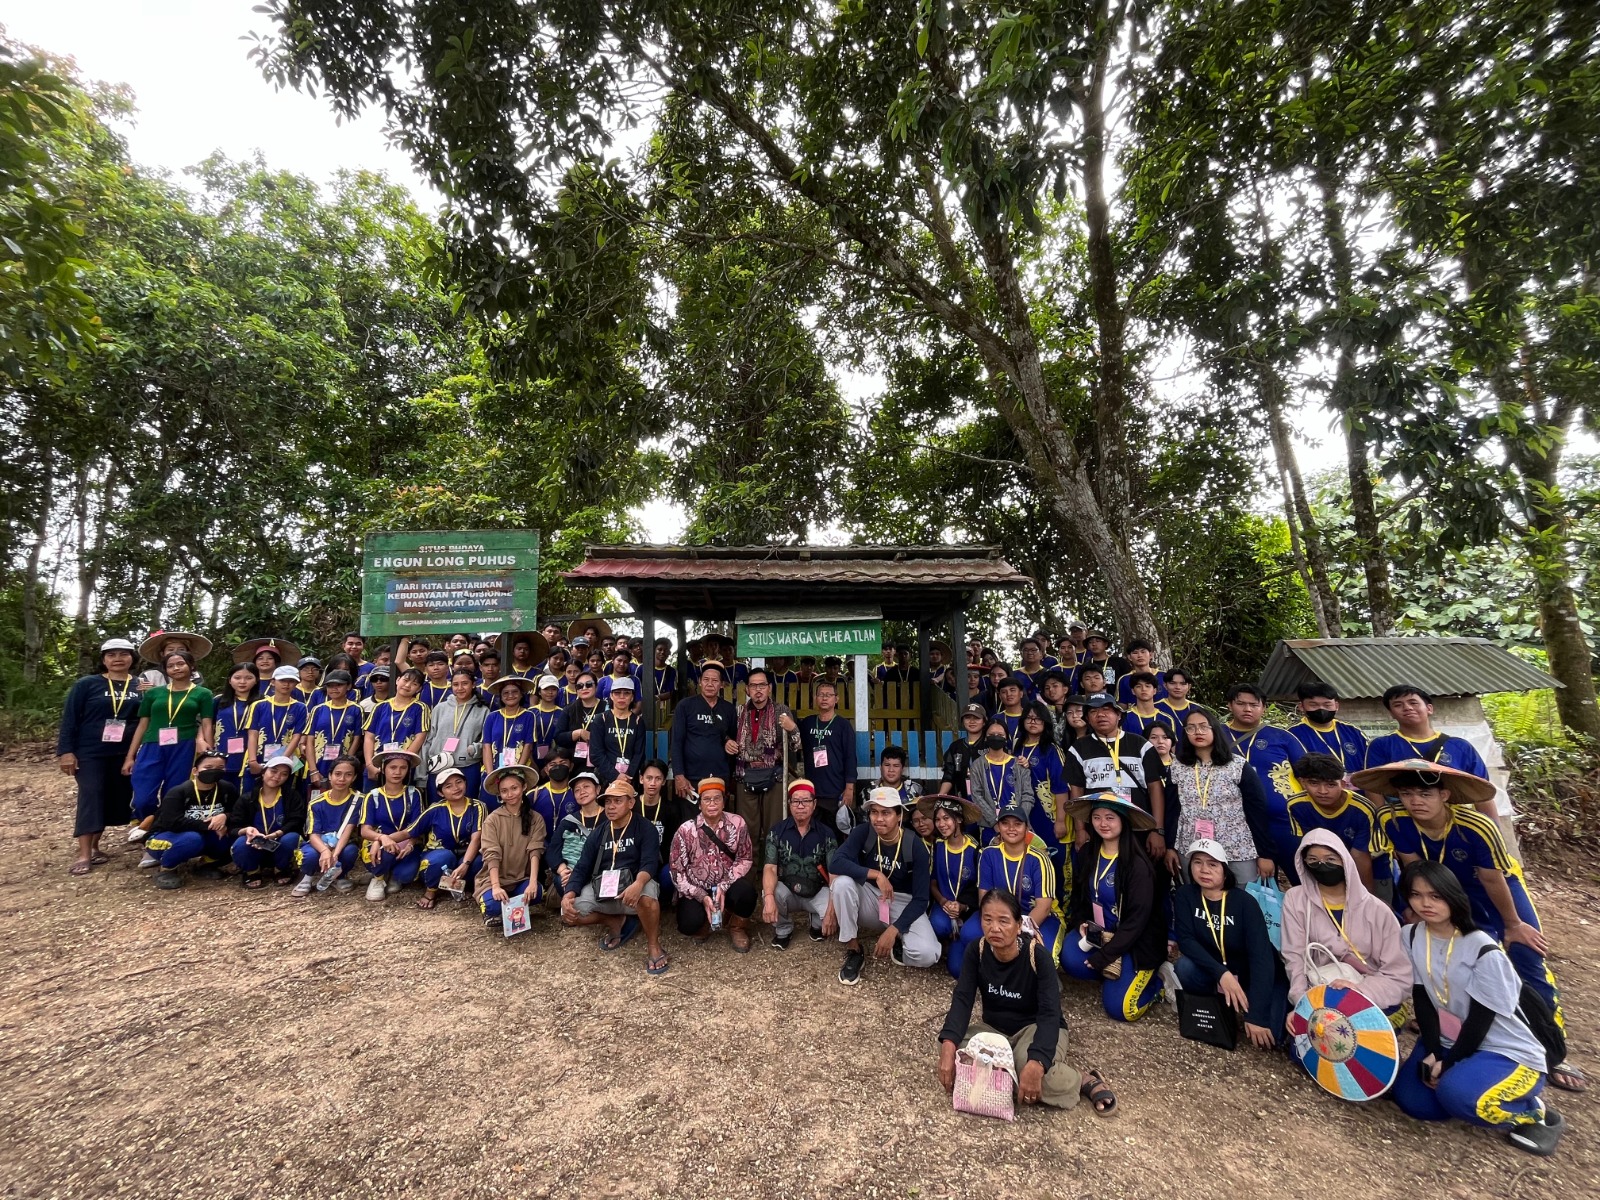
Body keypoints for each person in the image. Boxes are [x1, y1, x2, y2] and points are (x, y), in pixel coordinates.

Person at [1354, 759, 1583, 1092]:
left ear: (1444, 795)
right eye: (1406, 794)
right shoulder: (1393, 819)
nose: (1415, 801)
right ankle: (1455, 1031)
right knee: (1444, 956)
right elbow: (1413, 865)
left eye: (1425, 794)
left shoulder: (1476, 826)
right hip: (1438, 890)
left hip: (1492, 888)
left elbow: (1492, 878)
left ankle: (1552, 1048)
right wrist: (1418, 906)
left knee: (1526, 955)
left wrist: (1512, 924)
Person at [1391, 861, 1566, 1154]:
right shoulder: (1411, 935)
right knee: (1415, 1102)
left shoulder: (1482, 948)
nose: (1425, 904)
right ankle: (1461, 1084)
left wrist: (1449, 1062)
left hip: (1503, 1048)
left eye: (1435, 896)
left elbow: (1481, 1018)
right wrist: (1433, 1050)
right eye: (1416, 895)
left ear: (1452, 896)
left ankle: (1533, 1111)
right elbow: (1422, 997)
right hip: (1449, 1039)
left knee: (1458, 1095)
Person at [937, 889, 1114, 1113]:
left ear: (1019, 925)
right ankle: (1009, 1074)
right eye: (987, 920)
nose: (995, 928)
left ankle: (1082, 1080)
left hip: (1035, 1027)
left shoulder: (1038, 957)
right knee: (948, 1046)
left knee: (1029, 1067)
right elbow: (963, 999)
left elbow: (1050, 1014)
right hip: (995, 1030)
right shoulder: (976, 951)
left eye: (1004, 921)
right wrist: (949, 1045)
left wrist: (1037, 1061)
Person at [1280, 830, 1412, 1058]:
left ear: (1345, 861)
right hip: (1321, 994)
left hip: (1369, 994)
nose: (1322, 866)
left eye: (1330, 859)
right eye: (1313, 860)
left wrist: (1360, 991)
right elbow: (1294, 955)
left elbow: (1399, 976)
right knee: (1304, 1054)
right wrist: (1302, 1004)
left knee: (1363, 1056)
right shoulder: (1296, 899)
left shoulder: (1378, 911)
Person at [1171, 838, 1288, 1049]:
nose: (1204, 870)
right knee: (1184, 967)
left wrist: (1256, 1015)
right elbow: (1186, 941)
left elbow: (1261, 958)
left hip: (1250, 970)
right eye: (1197, 862)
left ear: (1225, 871)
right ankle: (1218, 1005)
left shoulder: (1244, 902)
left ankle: (1252, 1000)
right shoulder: (1185, 895)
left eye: (1212, 864)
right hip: (1216, 968)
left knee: (1271, 1039)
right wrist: (1222, 974)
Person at [1060, 794, 1167, 1021]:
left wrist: (1105, 956)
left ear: (1123, 821)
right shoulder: (1088, 853)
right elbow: (1080, 900)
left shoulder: (1137, 864)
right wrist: (1081, 924)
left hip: (1134, 943)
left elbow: (1137, 922)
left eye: (1110, 817)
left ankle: (1155, 984)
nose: (1103, 824)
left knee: (1122, 1010)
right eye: (1097, 817)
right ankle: (1113, 976)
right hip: (1101, 935)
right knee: (1069, 956)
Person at [829, 787, 941, 983]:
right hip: (871, 897)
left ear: (899, 816)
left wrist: (894, 930)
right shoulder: (864, 832)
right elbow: (836, 862)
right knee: (841, 884)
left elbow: (921, 899)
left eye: (886, 813)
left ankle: (898, 946)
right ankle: (854, 949)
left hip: (902, 902)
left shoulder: (915, 846)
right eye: (874, 812)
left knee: (928, 954)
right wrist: (876, 875)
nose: (879, 819)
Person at [561, 779, 669, 975]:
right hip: (605, 887)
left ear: (631, 803)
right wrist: (568, 894)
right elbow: (583, 866)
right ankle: (614, 921)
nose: (611, 806)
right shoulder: (599, 832)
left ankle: (654, 945)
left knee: (648, 899)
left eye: (618, 801)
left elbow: (650, 862)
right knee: (570, 911)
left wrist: (638, 884)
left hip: (635, 884)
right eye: (608, 802)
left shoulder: (645, 828)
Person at [57, 637, 141, 875]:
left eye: (123, 654)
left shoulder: (140, 685)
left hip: (125, 753)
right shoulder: (87, 684)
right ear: (103, 660)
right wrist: (66, 751)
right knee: (91, 794)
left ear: (132, 658)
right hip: (90, 752)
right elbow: (70, 718)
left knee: (111, 797)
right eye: (111, 655)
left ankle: (95, 847)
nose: (118, 659)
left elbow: (146, 717)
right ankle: (83, 854)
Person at [952, 803, 1065, 974]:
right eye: (1005, 823)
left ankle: (1039, 979)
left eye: (1017, 824)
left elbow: (1044, 907)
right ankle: (992, 970)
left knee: (1042, 955)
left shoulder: (1039, 859)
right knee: (969, 934)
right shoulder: (988, 854)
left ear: (1027, 828)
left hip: (1037, 918)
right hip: (998, 915)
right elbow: (984, 900)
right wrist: (1000, 925)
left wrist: (1016, 930)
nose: (1011, 828)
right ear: (998, 827)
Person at [1167, 708, 1275, 885]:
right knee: (1198, 895)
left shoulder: (1237, 765)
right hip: (1192, 847)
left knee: (1242, 895)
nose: (1198, 732)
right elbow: (1172, 810)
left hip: (1236, 847)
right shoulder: (1178, 766)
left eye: (1203, 726)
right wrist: (1170, 846)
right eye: (1191, 728)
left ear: (1214, 729)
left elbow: (1257, 810)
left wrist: (1265, 853)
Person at [122, 649, 215, 844]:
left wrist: (209, 754)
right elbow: (142, 725)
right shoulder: (154, 693)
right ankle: (150, 823)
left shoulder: (203, 693)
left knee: (173, 793)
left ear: (191, 666)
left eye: (181, 664)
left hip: (184, 747)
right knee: (142, 797)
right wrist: (130, 757)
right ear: (165, 670)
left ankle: (159, 833)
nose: (176, 668)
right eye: (171, 666)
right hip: (152, 746)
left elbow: (207, 723)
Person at [1063, 694, 1166, 862]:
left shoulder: (1141, 745)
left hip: (1139, 826)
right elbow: (1077, 790)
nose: (1100, 715)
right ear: (1087, 719)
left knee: (1139, 872)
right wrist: (1080, 830)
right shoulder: (1078, 749)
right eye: (1093, 711)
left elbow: (1155, 787)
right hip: (1098, 828)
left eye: (1106, 710)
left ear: (1119, 715)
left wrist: (1158, 830)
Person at [1364, 685, 1494, 817]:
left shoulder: (1460, 746)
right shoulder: (1381, 745)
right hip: (1404, 820)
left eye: (1413, 703)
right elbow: (1374, 789)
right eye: (1398, 705)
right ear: (1391, 713)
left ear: (1429, 708)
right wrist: (1381, 821)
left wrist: (1494, 826)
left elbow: (1482, 791)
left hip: (1455, 820)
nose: (1407, 707)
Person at [1222, 683, 1305, 875]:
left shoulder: (1282, 737)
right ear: (1229, 705)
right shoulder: (1216, 735)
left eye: (1254, 704)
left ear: (1264, 708)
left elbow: (1306, 776)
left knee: (1302, 877)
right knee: (1249, 884)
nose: (1247, 709)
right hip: (1233, 823)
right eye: (1241, 703)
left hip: (1283, 822)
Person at [668, 776, 759, 948]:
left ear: (724, 802)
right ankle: (705, 921)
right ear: (700, 804)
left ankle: (736, 926)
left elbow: (745, 858)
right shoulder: (686, 830)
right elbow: (676, 871)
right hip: (697, 887)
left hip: (727, 883)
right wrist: (701, 895)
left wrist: (724, 886)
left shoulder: (737, 823)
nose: (712, 804)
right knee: (688, 924)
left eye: (717, 799)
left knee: (747, 893)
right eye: (707, 799)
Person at [729, 667, 801, 861]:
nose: (758, 690)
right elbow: (727, 737)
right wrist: (727, 742)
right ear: (747, 689)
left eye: (762, 685)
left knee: (774, 830)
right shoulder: (738, 712)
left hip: (773, 777)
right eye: (753, 686)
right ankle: (747, 877)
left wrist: (793, 728)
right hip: (745, 776)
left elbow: (795, 746)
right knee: (747, 833)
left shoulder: (781, 711)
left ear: (769, 687)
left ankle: (774, 875)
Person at [1287, 752, 1386, 894]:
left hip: (1370, 862)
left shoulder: (1363, 808)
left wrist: (1365, 896)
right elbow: (1306, 848)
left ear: (1343, 784)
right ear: (1302, 782)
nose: (1322, 791)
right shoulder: (1296, 805)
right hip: (1325, 863)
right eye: (1314, 783)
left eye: (1331, 785)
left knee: (1380, 900)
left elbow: (1360, 856)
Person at [145, 748, 240, 888]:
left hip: (201, 835)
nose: (214, 771)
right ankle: (167, 868)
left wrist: (224, 816)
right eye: (208, 767)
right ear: (195, 771)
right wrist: (210, 826)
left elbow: (238, 812)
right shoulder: (179, 792)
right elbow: (172, 822)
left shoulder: (227, 789)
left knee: (232, 837)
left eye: (220, 768)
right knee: (192, 839)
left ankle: (206, 864)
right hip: (164, 836)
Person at [760, 779, 838, 949]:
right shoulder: (776, 832)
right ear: (789, 804)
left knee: (838, 904)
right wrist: (769, 897)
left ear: (814, 804)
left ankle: (816, 922)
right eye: (795, 801)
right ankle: (783, 928)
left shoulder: (827, 833)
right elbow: (770, 868)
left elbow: (834, 873)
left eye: (806, 801)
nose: (800, 806)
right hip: (788, 891)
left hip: (817, 891)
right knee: (771, 891)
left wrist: (832, 910)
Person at [476, 764, 548, 929]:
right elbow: (491, 854)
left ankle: (513, 905)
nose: (510, 794)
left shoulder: (536, 818)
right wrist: (496, 886)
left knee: (536, 892)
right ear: (499, 794)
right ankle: (500, 906)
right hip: (493, 880)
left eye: (514, 788)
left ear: (524, 787)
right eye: (504, 791)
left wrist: (532, 881)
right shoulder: (492, 820)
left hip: (521, 878)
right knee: (492, 906)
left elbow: (535, 851)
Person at [405, 766, 485, 910]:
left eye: (459, 782)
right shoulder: (435, 809)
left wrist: (465, 864)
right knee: (443, 858)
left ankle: (459, 887)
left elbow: (476, 839)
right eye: (448, 786)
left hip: (465, 857)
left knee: (480, 861)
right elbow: (410, 831)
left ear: (466, 783)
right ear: (440, 792)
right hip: (440, 857)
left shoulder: (477, 806)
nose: (456, 788)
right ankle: (431, 891)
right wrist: (382, 838)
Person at [358, 748, 426, 901]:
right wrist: (381, 839)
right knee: (383, 854)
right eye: (393, 767)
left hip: (406, 844)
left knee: (406, 875)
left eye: (403, 768)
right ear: (383, 769)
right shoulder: (373, 796)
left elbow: (417, 826)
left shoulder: (414, 794)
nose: (397, 772)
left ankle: (393, 873)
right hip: (380, 846)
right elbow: (365, 830)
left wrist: (411, 844)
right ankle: (378, 878)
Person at [290, 755, 363, 896]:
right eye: (337, 774)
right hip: (320, 843)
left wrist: (334, 854)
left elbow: (348, 831)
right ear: (330, 776)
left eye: (348, 775)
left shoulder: (359, 800)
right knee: (309, 855)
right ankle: (308, 876)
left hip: (343, 843)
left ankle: (339, 876)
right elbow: (313, 834)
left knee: (350, 852)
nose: (342, 779)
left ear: (354, 778)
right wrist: (325, 851)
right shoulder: (316, 802)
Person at [230, 755, 306, 889]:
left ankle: (281, 868)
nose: (277, 776)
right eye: (273, 771)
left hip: (280, 845)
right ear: (263, 772)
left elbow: (297, 821)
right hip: (255, 845)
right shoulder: (247, 798)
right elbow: (234, 826)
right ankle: (252, 871)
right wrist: (247, 831)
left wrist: (277, 834)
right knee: (240, 844)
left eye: (284, 774)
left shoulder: (292, 797)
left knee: (292, 838)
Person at [668, 660, 737, 800]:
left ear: (721, 684)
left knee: (715, 813)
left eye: (715, 681)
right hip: (691, 778)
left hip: (719, 776)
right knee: (691, 814)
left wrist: (729, 743)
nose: (710, 684)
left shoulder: (729, 709)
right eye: (706, 680)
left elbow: (732, 739)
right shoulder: (685, 706)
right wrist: (679, 775)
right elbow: (676, 742)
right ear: (699, 682)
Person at [965, 717, 1038, 843]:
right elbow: (977, 796)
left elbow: (1028, 795)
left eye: (1000, 735)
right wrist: (995, 822)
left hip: (1018, 826)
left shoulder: (1019, 764)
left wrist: (1019, 820)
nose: (996, 737)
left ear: (1006, 737)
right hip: (989, 826)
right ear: (985, 737)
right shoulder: (977, 765)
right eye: (992, 734)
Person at [423, 667, 487, 803]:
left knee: (467, 806)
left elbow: (487, 741)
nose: (460, 688)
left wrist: (475, 749)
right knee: (438, 807)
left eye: (465, 683)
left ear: (473, 684)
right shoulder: (440, 708)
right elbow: (428, 740)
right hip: (439, 765)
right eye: (456, 684)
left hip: (467, 766)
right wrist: (421, 773)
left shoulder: (482, 710)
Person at [799, 679, 857, 830]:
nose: (824, 698)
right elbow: (794, 741)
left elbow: (850, 757)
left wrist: (849, 788)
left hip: (835, 789)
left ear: (836, 699)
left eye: (829, 695)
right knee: (813, 831)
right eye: (821, 694)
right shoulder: (808, 723)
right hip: (812, 789)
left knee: (834, 832)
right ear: (815, 698)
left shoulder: (843, 726)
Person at [928, 798, 980, 951]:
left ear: (958, 819)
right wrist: (943, 902)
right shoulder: (937, 845)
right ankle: (947, 941)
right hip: (943, 906)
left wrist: (962, 906)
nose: (941, 824)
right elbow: (933, 882)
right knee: (938, 925)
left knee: (968, 938)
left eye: (946, 818)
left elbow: (979, 888)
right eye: (937, 820)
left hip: (968, 909)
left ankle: (964, 939)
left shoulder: (975, 850)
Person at [303, 669, 364, 796]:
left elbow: (357, 739)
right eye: (330, 686)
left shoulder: (356, 709)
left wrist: (347, 764)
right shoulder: (318, 709)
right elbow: (310, 740)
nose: (334, 689)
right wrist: (313, 770)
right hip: (318, 765)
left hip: (343, 766)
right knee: (316, 800)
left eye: (339, 685)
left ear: (348, 686)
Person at [546, 769, 605, 898]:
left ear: (598, 789)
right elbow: (552, 850)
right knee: (564, 882)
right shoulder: (568, 821)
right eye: (577, 790)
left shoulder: (609, 818)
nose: (582, 792)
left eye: (586, 787)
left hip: (599, 871)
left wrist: (581, 874)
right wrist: (563, 871)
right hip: (571, 870)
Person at [1288, 682, 1369, 775]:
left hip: (1357, 783)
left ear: (1336, 706)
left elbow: (1369, 762)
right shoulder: (1292, 735)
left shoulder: (1353, 731)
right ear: (1301, 706)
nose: (1321, 709)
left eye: (1327, 705)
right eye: (1313, 705)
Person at [362, 668, 429, 780]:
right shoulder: (380, 707)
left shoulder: (420, 708)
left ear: (419, 689)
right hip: (377, 763)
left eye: (414, 684)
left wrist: (403, 763)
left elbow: (420, 737)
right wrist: (369, 765)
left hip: (402, 768)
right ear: (398, 680)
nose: (407, 685)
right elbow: (369, 737)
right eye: (405, 680)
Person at [479, 676, 536, 804]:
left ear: (521, 694)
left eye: (515, 692)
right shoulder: (492, 717)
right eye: (506, 693)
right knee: (491, 808)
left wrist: (517, 771)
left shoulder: (529, 715)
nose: (510, 695)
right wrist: (490, 775)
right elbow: (486, 746)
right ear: (501, 696)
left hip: (519, 770)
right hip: (494, 769)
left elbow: (528, 745)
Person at [212, 662, 261, 800]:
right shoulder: (219, 700)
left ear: (256, 680)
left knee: (246, 794)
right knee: (222, 794)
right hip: (222, 753)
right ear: (229, 680)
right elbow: (208, 724)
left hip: (249, 756)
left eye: (248, 678)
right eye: (237, 677)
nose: (242, 682)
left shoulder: (263, 702)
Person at [593, 674, 645, 788]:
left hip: (630, 778)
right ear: (611, 696)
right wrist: (615, 775)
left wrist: (628, 776)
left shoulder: (637, 721)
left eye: (626, 693)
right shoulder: (601, 719)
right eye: (617, 693)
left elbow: (639, 754)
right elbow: (596, 753)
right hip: (605, 778)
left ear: (632, 697)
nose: (622, 697)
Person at [936, 703, 987, 803]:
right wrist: (940, 796)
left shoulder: (989, 745)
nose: (972, 721)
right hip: (961, 799)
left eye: (976, 718)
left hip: (987, 800)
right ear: (962, 721)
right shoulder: (955, 747)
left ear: (984, 721)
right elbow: (949, 775)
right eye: (967, 718)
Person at [554, 670, 605, 770]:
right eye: (580, 686)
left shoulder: (607, 708)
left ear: (596, 686)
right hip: (574, 763)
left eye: (589, 684)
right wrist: (578, 733)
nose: (584, 688)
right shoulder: (569, 709)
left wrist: (594, 738)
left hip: (602, 762)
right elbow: (558, 737)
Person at [136, 630, 214, 690]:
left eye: (181, 649)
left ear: (188, 653)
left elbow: (195, 695)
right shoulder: (149, 675)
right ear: (162, 654)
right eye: (170, 650)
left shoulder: (194, 675)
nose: (176, 652)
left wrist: (157, 691)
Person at [1114, 640, 1166, 706]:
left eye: (1143, 652)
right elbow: (1122, 705)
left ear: (1151, 655)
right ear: (1129, 657)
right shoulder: (1124, 680)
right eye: (1135, 653)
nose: (1140, 655)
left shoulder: (1164, 676)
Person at [1119, 673, 1169, 738]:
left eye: (1147, 686)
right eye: (1138, 686)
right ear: (1133, 691)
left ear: (1154, 691)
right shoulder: (1124, 718)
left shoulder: (1166, 718)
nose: (1143, 689)